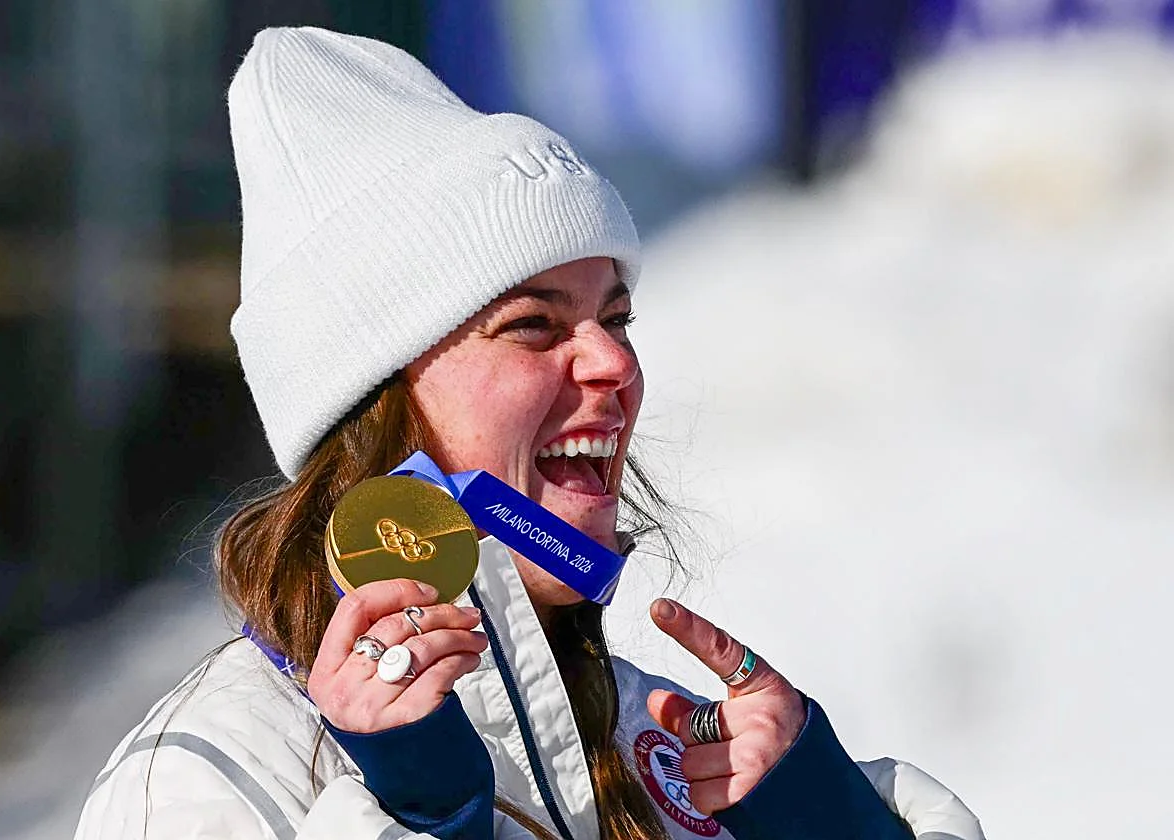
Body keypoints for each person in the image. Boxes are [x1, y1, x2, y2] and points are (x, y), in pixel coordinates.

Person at [75, 26, 984, 840]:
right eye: (535, 325)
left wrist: (831, 827)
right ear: (373, 404)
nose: (613, 366)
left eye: (616, 319)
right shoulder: (205, 778)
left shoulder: (662, 746)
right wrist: (424, 823)